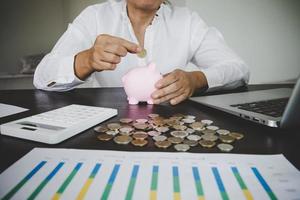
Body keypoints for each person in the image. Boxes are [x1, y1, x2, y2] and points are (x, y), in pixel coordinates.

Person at [34, 0, 249, 105]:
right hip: (107, 128)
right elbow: (43, 76)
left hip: (170, 126)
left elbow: (238, 69)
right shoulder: (94, 17)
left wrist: (197, 79)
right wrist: (86, 60)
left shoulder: (188, 21)